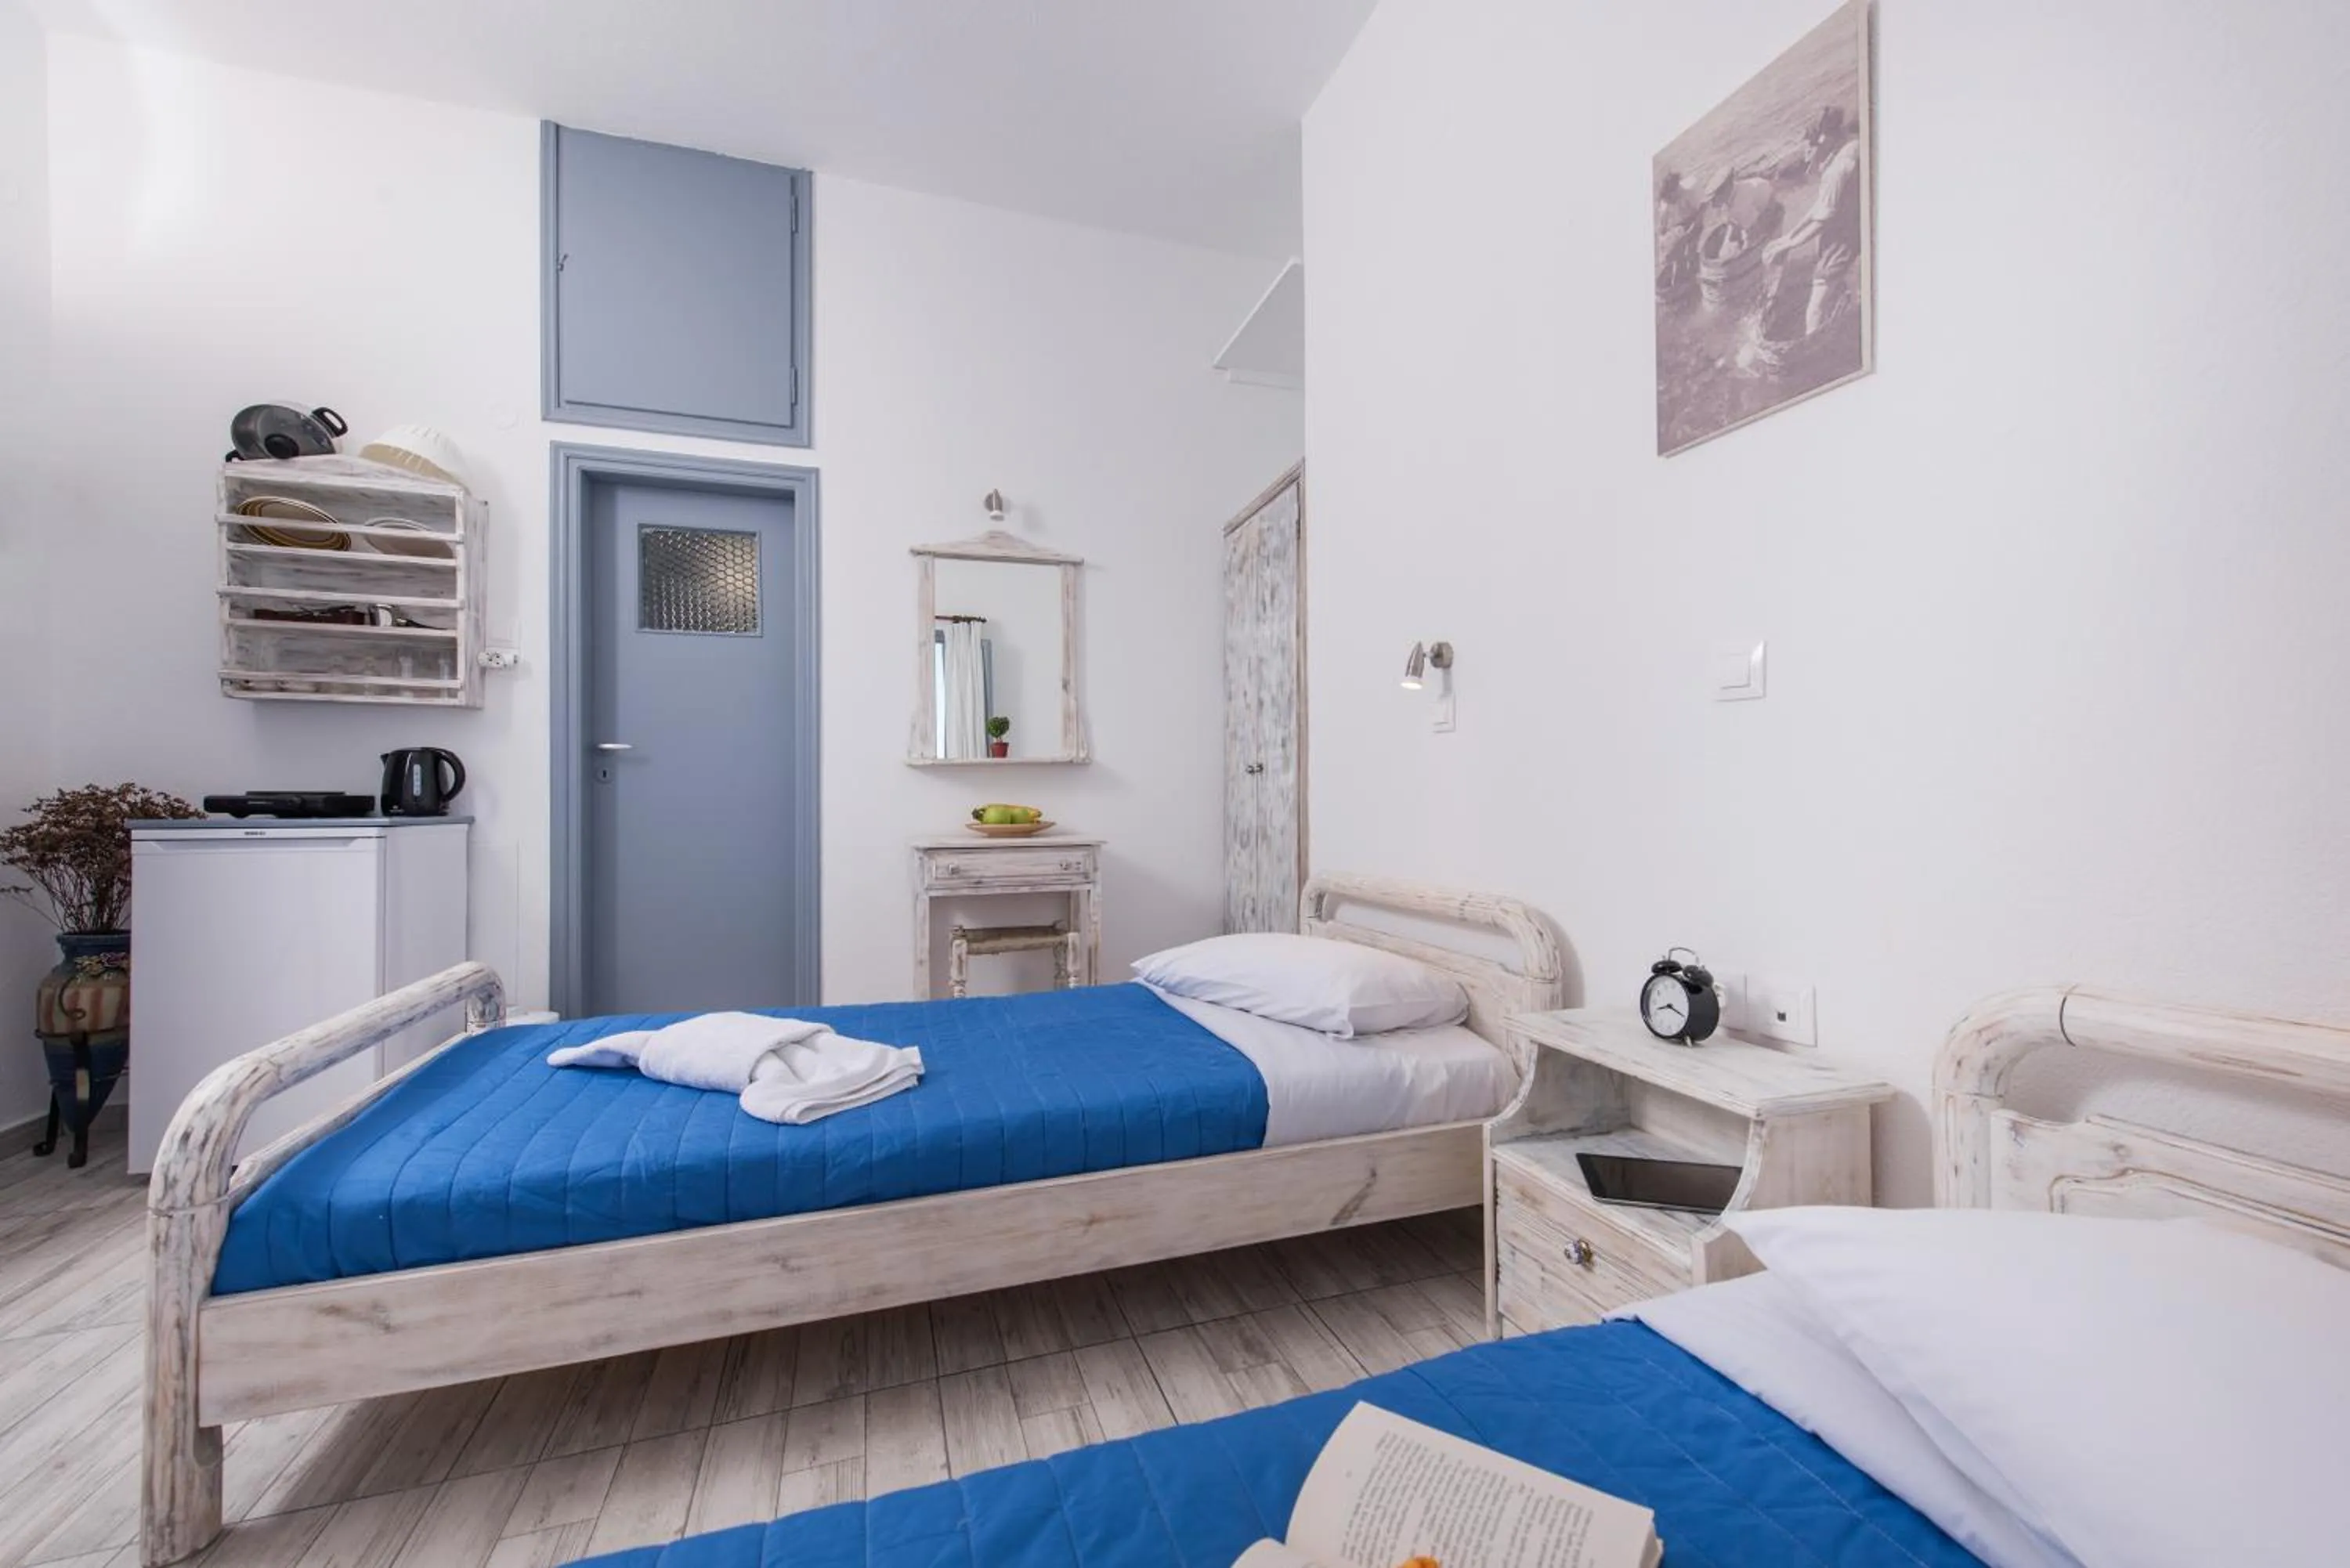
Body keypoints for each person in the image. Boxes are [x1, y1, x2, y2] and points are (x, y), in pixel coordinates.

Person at [1760, 104, 1863, 336]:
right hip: (1853, 224)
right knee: (1830, 279)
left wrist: (1788, 245)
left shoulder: (1835, 171)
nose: (1807, 155)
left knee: (1814, 309)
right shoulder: (1851, 147)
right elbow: (1821, 207)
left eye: (1809, 147)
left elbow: (1822, 220)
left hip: (1844, 239)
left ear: (1824, 139)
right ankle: (1847, 300)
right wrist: (1789, 236)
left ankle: (1812, 348)